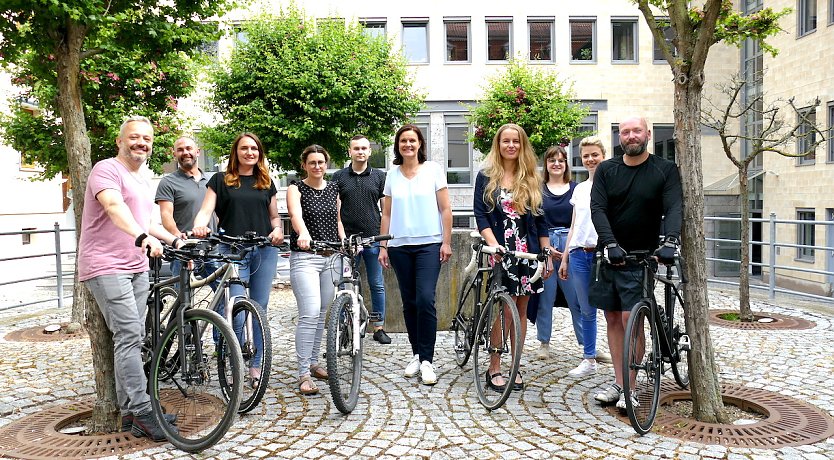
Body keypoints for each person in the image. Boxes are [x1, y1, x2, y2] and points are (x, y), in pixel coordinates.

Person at [78, 116, 180, 441]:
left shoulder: (143, 178)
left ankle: (131, 412)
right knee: (129, 334)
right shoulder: (106, 169)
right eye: (134, 137)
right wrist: (141, 238)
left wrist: (177, 241)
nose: (141, 143)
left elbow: (150, 222)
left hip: (136, 265)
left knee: (132, 337)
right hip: (106, 264)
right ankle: (144, 410)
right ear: (120, 141)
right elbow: (112, 206)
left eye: (146, 139)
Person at [589, 117, 682, 410]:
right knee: (613, 319)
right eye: (625, 132)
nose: (631, 136)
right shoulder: (607, 169)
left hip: (643, 258)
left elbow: (674, 206)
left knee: (632, 319)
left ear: (648, 134)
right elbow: (598, 208)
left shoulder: (664, 170)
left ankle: (630, 385)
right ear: (620, 137)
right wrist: (611, 243)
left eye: (636, 131)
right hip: (610, 257)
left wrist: (670, 241)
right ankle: (619, 381)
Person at [192, 132, 284, 390]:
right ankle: (233, 364)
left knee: (259, 308)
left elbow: (275, 218)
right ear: (236, 152)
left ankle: (256, 365)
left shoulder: (266, 181)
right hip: (232, 250)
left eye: (254, 148)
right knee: (235, 308)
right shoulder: (220, 180)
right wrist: (199, 227)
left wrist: (277, 231)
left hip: (264, 250)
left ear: (259, 153)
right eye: (244, 148)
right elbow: (205, 212)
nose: (250, 152)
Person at [379, 124, 452, 386]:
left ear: (420, 143)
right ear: (398, 146)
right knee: (409, 303)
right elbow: (386, 213)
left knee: (425, 300)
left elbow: (445, 209)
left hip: (429, 245)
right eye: (403, 141)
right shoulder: (392, 175)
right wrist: (383, 246)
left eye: (412, 140)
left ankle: (428, 360)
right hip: (399, 246)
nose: (408, 145)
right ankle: (417, 353)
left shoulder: (433, 170)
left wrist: (446, 242)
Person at [473, 123, 544, 392]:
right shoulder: (486, 175)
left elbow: (540, 218)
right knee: (505, 308)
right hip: (501, 251)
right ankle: (495, 365)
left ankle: (515, 364)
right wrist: (493, 245)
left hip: (527, 251)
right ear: (498, 144)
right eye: (506, 141)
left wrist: (544, 254)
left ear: (522, 144)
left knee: (522, 310)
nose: (511, 145)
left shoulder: (531, 177)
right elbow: (481, 214)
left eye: (516, 141)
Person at [287, 144, 345, 396]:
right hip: (305, 257)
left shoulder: (334, 188)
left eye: (321, 162)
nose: (317, 166)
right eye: (312, 162)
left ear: (327, 164)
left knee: (322, 313)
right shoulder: (295, 187)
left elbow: (338, 219)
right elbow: (295, 214)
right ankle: (303, 374)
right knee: (309, 312)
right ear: (304, 165)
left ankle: (313, 362)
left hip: (331, 256)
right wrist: (304, 234)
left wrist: (344, 241)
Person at [331, 135, 390, 344]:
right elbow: (335, 211)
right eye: (356, 148)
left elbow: (386, 211)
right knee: (344, 284)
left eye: (364, 148)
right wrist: (341, 238)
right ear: (350, 152)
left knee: (376, 284)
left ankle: (379, 327)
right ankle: (344, 327)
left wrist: (384, 243)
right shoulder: (338, 177)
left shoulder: (380, 176)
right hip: (347, 240)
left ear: (370, 151)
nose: (360, 152)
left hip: (373, 237)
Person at [558, 136, 607, 378]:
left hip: (602, 255)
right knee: (586, 310)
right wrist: (565, 257)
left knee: (611, 310)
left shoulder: (612, 185)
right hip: (578, 254)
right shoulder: (580, 189)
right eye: (586, 156)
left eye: (594, 154)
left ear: (603, 155)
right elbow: (574, 225)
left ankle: (621, 358)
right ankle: (589, 358)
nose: (590, 159)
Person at [534, 145, 577, 361]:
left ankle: (588, 345)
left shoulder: (575, 188)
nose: (557, 164)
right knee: (546, 297)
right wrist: (548, 251)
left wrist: (567, 251)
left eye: (561, 160)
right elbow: (535, 222)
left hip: (571, 245)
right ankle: (544, 342)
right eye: (552, 160)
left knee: (577, 298)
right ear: (547, 164)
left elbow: (580, 221)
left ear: (566, 164)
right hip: (547, 244)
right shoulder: (538, 190)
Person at [154, 135, 218, 281]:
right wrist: (177, 237)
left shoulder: (212, 180)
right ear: (174, 153)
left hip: (212, 247)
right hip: (184, 248)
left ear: (198, 151)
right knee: (184, 297)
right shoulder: (168, 182)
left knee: (223, 293)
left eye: (189, 148)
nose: (185, 152)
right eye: (180, 150)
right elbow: (166, 215)